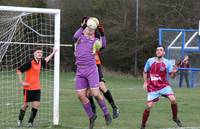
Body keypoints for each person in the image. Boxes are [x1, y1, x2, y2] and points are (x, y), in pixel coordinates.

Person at [73, 17, 112, 129]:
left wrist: (102, 33)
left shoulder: (95, 41)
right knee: (80, 96)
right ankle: (91, 116)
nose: (89, 30)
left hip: (91, 70)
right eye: (87, 28)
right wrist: (85, 25)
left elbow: (103, 45)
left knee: (95, 93)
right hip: (80, 70)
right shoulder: (79, 36)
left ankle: (106, 113)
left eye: (91, 29)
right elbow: (75, 36)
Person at [140, 46, 183, 129]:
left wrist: (174, 72)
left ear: (164, 53)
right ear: (156, 52)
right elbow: (145, 72)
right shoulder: (150, 61)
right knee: (148, 106)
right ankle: (143, 125)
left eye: (161, 50)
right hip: (152, 87)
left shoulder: (168, 63)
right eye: (157, 50)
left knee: (173, 100)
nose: (159, 51)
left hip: (164, 86)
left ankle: (175, 117)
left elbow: (172, 76)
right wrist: (145, 82)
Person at [17, 47, 57, 127]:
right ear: (34, 54)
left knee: (36, 104)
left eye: (41, 53)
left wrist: (53, 52)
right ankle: (20, 120)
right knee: (26, 105)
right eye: (38, 52)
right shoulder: (30, 63)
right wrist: (22, 82)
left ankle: (30, 122)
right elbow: (19, 71)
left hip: (37, 87)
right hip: (28, 88)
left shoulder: (40, 62)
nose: (40, 54)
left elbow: (46, 60)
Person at [88, 51, 120, 119]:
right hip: (86, 66)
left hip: (96, 65)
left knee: (101, 86)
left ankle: (114, 108)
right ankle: (93, 111)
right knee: (88, 90)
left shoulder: (95, 40)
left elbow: (103, 44)